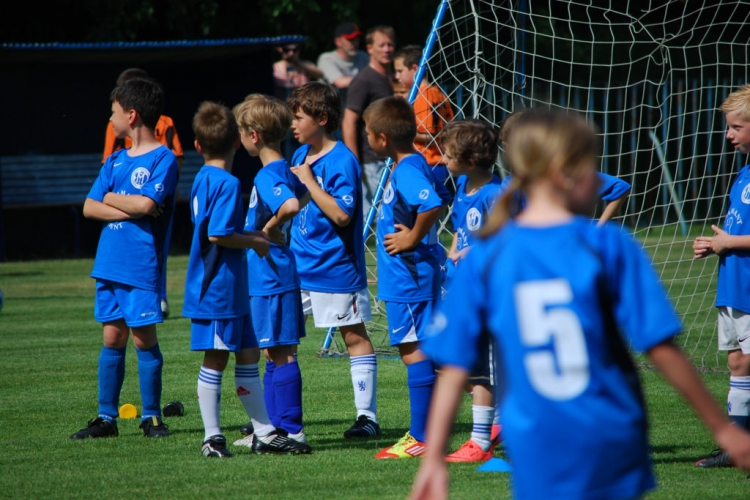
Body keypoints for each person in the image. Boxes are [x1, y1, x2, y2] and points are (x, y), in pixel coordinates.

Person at [409, 109, 750, 500]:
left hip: (534, 433)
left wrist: (433, 457)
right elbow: (661, 349)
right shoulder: (611, 246)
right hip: (611, 428)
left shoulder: (486, 256)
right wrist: (723, 430)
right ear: (566, 173)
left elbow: (453, 366)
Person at [183, 101, 309, 457]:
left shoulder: (203, 179)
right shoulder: (225, 182)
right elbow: (218, 234)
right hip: (217, 287)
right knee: (218, 359)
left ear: (197, 145)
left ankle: (266, 432)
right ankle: (212, 437)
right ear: (237, 143)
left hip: (235, 286)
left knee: (251, 354)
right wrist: (258, 238)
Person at [71, 77, 179, 440]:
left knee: (142, 338)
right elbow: (89, 206)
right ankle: (106, 418)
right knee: (112, 337)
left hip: (140, 264)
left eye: (113, 114)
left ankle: (151, 417)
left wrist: (113, 198)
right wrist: (127, 205)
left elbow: (147, 204)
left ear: (131, 115)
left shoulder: (163, 158)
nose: (111, 120)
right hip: (109, 263)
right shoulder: (115, 159)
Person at [285, 82, 381, 437]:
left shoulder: (342, 160)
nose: (293, 125)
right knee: (279, 340)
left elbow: (342, 216)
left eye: (299, 118)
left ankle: (366, 418)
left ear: (322, 118)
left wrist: (310, 182)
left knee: (353, 336)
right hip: (297, 267)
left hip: (336, 269)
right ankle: (275, 420)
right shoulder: (298, 156)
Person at [362, 96, 449, 459]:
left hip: (409, 278)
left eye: (367, 132)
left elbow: (431, 203)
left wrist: (412, 237)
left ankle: (420, 438)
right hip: (409, 277)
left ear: (382, 138)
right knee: (429, 353)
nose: (365, 137)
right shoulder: (409, 164)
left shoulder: (407, 170)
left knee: (413, 351)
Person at [234, 94, 312, 452]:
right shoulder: (282, 168)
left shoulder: (268, 173)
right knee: (273, 351)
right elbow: (305, 194)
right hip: (272, 275)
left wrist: (269, 227)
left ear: (253, 136)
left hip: (271, 277)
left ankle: (292, 430)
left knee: (281, 353)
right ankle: (271, 428)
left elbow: (292, 202)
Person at [440, 119, 505, 462]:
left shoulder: (495, 195)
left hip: (486, 293)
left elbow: (503, 240)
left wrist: (474, 253)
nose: (442, 159)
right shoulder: (462, 184)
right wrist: (454, 250)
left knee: (478, 366)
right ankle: (500, 419)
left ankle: (479, 442)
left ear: (469, 160)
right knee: (449, 360)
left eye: (448, 155)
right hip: (459, 286)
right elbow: (461, 228)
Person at [692, 84, 750, 468]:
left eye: (735, 127)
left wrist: (729, 242)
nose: (728, 135)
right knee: (737, 362)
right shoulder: (745, 172)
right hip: (734, 283)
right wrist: (718, 245)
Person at [101, 68, 184, 319]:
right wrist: (126, 201)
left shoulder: (165, 123)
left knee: (156, 248)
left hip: (157, 197)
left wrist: (160, 193)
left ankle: (158, 297)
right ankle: (126, 296)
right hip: (129, 200)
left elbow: (175, 159)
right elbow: (105, 171)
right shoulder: (113, 129)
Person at [498, 108, 630, 225]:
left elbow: (620, 188)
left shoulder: (566, 174)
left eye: (506, 146)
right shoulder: (510, 184)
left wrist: (599, 227)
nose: (506, 151)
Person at [342, 26, 396, 215]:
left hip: (390, 156)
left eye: (390, 44)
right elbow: (348, 121)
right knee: (383, 216)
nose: (387, 49)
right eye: (382, 45)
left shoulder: (389, 78)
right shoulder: (364, 80)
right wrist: (355, 162)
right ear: (370, 49)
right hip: (372, 160)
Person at [393, 45, 455, 188]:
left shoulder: (423, 96)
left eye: (400, 71)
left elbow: (430, 135)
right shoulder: (439, 93)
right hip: (441, 163)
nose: (397, 76)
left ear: (415, 69)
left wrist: (400, 132)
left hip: (429, 163)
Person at [316, 22, 369, 95]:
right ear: (338, 42)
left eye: (356, 39)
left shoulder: (363, 56)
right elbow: (340, 83)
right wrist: (371, 80)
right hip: (331, 105)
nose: (355, 43)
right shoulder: (327, 59)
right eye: (350, 39)